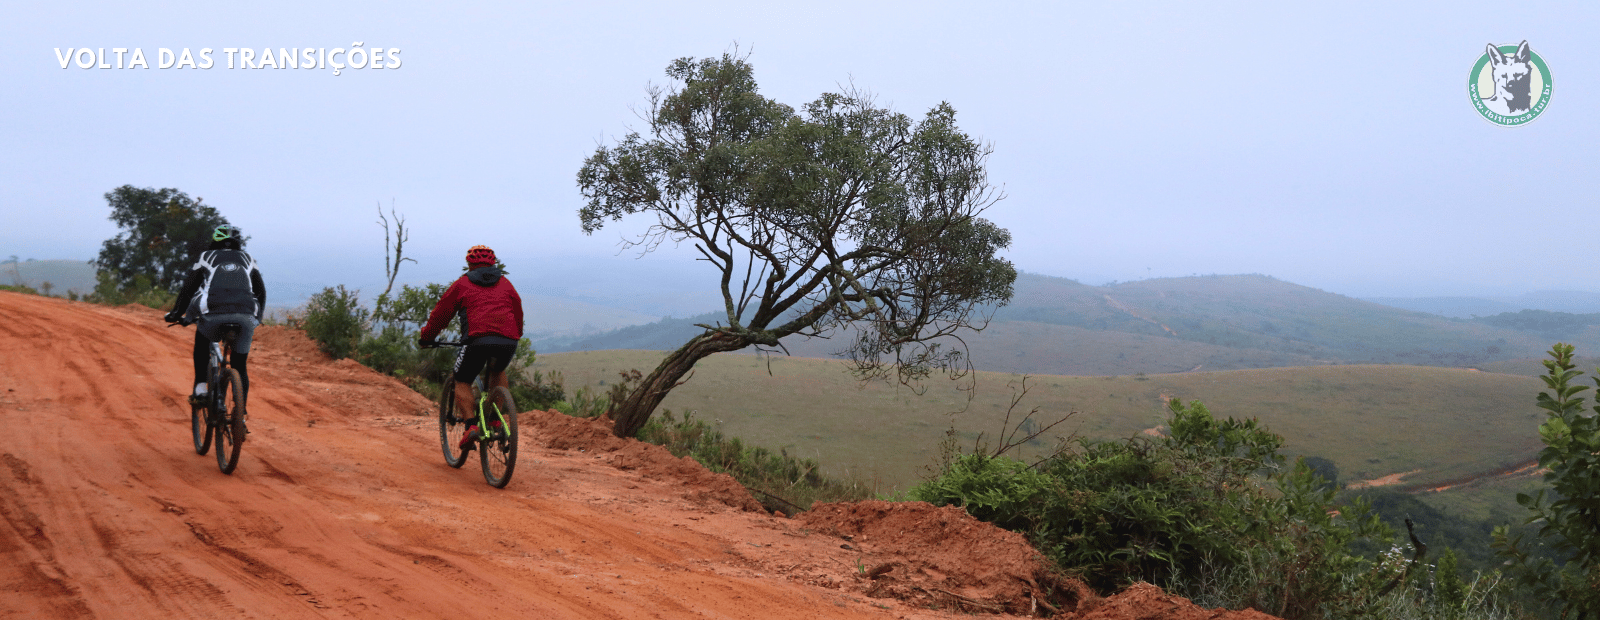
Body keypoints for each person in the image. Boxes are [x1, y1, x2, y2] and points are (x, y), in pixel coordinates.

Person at [418, 245, 524, 451]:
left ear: (469, 264)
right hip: (508, 341)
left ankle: (470, 426)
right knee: (498, 370)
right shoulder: (506, 284)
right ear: (494, 264)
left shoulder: (462, 284)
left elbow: (441, 314)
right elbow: (517, 310)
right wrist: (516, 334)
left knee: (462, 379)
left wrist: (427, 337)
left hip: (477, 340)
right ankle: (494, 420)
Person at [164, 224, 267, 421]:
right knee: (240, 366)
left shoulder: (206, 256)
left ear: (215, 241)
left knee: (202, 341)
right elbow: (260, 291)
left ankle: (201, 387)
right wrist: (258, 318)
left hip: (213, 314)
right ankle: (240, 416)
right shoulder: (248, 259)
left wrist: (177, 313)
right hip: (245, 316)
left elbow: (189, 287)